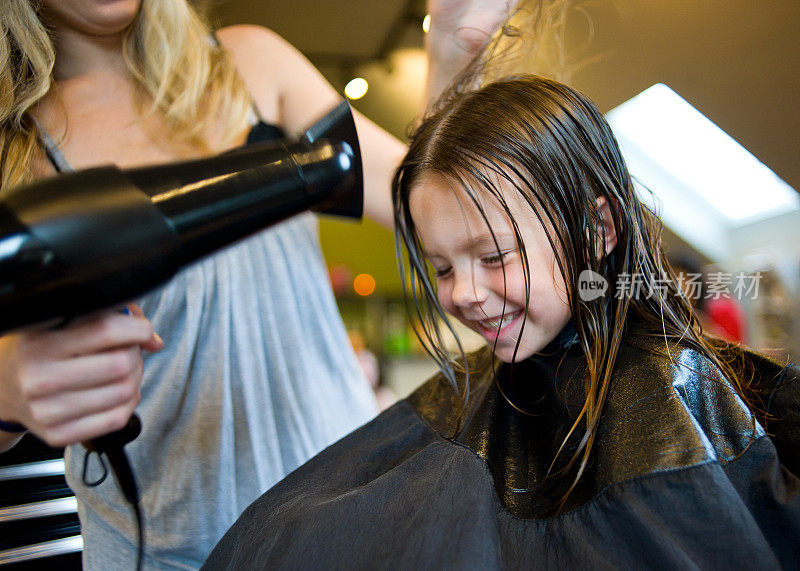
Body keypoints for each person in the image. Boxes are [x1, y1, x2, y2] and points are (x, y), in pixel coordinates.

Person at [203, 75, 800, 568]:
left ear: (598, 229)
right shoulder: (481, 392)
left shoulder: (676, 391)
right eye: (440, 268)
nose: (463, 294)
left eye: (493, 257)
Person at [0, 0, 515, 568]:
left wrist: (452, 56)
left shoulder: (248, 64)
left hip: (352, 517)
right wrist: (8, 392)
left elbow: (428, 208)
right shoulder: (18, 153)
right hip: (181, 555)